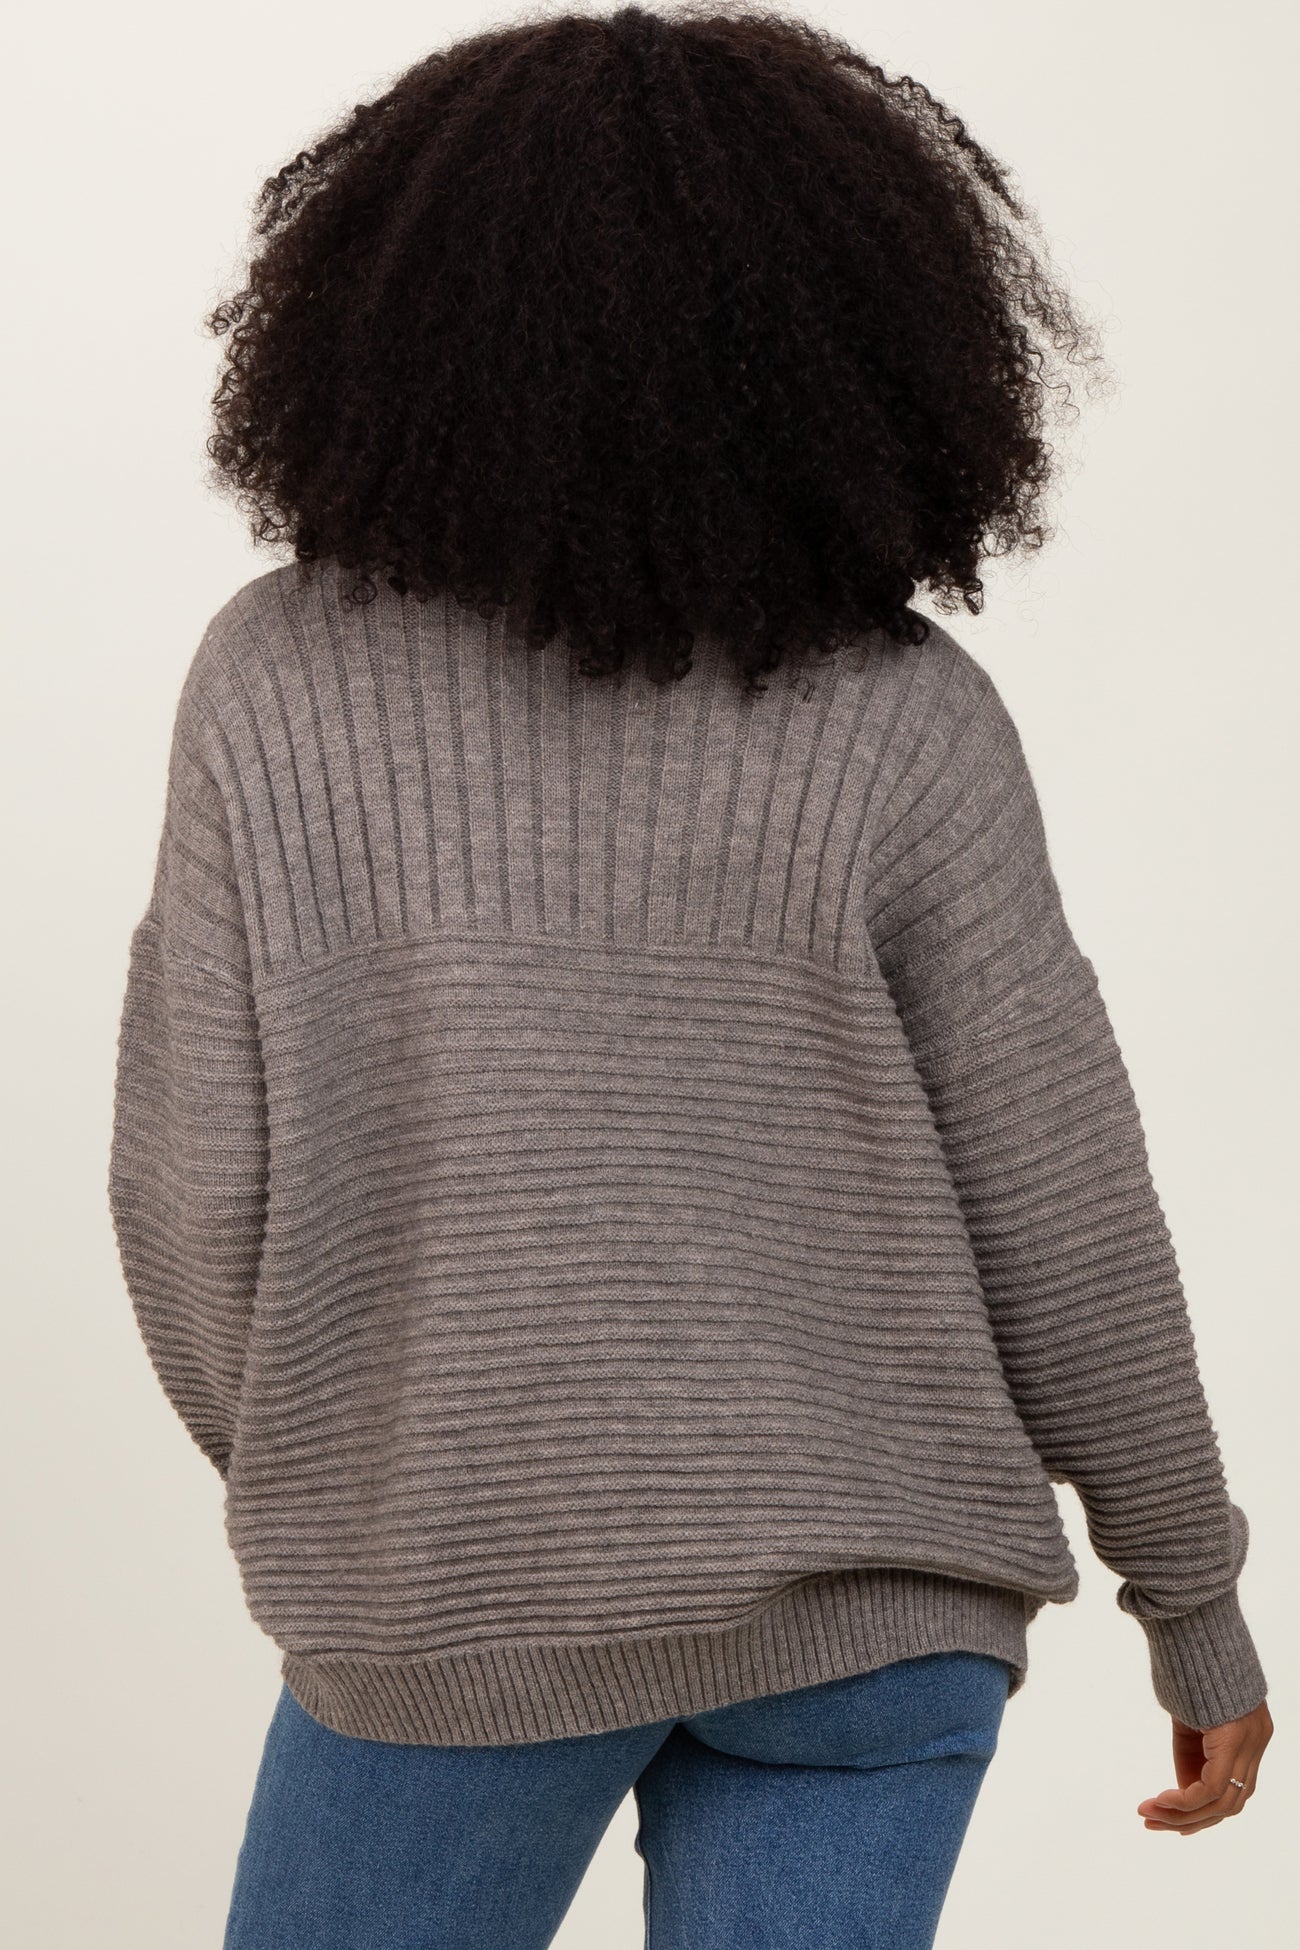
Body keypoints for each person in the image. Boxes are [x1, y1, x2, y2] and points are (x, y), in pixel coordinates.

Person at [106, 5, 1273, 1945]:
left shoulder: (272, 681)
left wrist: (376, 1484)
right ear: (848, 343)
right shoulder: (906, 712)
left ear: (393, 317)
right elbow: (1065, 1201)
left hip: (459, 1606)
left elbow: (187, 1195)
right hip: (876, 1628)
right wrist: (1192, 1598)